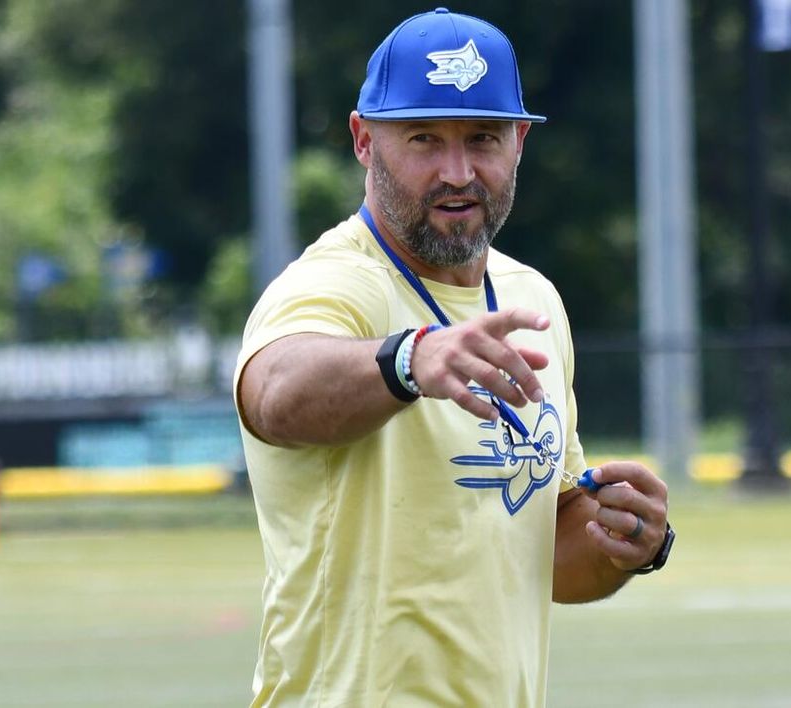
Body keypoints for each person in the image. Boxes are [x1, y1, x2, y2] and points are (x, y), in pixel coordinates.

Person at [235, 8, 674, 706]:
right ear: (362, 140)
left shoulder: (534, 302)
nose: (458, 171)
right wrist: (411, 361)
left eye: (482, 138)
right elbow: (273, 392)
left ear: (519, 142)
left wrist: (625, 540)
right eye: (424, 139)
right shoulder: (337, 283)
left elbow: (543, 557)